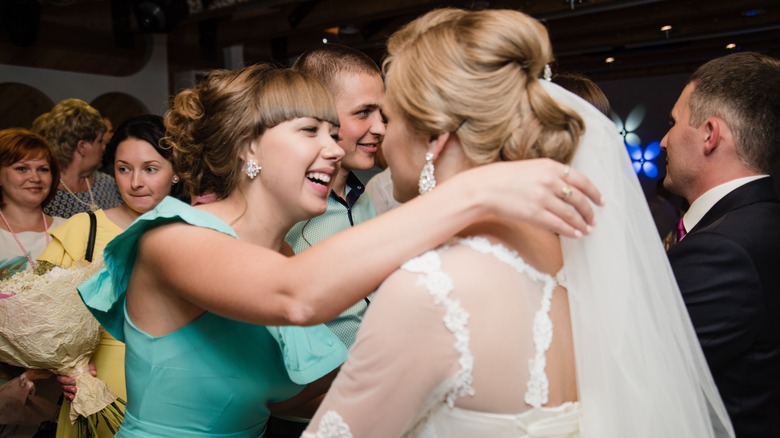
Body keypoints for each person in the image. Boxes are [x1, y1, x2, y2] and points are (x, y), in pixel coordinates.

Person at [75, 61, 602, 436]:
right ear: (248, 146)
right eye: (310, 131)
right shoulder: (175, 239)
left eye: (333, 132)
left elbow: (313, 395)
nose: (333, 149)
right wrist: (471, 190)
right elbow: (295, 297)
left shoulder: (285, 256)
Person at [303, 8, 733, 438]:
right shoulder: (567, 256)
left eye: (392, 119)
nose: (383, 138)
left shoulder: (432, 289)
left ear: (435, 139)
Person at [37, 114, 183, 437]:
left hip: (179, 386)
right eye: (123, 168)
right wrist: (64, 366)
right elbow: (36, 311)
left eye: (150, 169)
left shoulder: (195, 232)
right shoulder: (83, 229)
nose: (135, 182)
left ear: (176, 172)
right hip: (99, 384)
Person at [268, 43, 386, 438]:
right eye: (363, 113)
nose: (380, 127)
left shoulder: (366, 197)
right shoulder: (283, 215)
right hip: (303, 422)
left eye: (381, 113)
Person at [662, 52, 780, 438]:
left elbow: (650, 370)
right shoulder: (759, 221)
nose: (663, 141)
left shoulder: (722, 249)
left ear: (710, 135)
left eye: (673, 123)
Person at [0, 128, 64, 437]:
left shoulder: (72, 229)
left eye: (43, 169)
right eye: (21, 168)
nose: (35, 177)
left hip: (64, 380)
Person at [33, 98, 123, 218]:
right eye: (99, 141)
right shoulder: (45, 191)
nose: (103, 148)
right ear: (82, 147)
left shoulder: (108, 184)